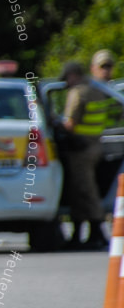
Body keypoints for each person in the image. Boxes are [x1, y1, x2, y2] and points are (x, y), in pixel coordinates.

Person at [59, 52, 116, 249]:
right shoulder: (96, 90)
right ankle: (81, 235)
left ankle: (98, 233)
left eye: (67, 78)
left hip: (81, 149)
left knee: (86, 191)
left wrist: (56, 124)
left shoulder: (78, 92)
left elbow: (70, 124)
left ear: (73, 75)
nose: (66, 82)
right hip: (95, 145)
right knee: (79, 192)